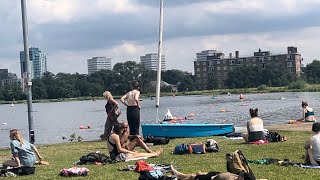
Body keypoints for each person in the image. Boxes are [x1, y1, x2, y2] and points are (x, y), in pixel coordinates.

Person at [170, 165, 253, 180]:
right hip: (216, 174)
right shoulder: (238, 177)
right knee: (198, 173)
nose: (239, 175)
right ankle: (179, 175)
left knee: (193, 177)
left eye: (241, 176)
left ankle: (179, 176)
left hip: (212, 178)